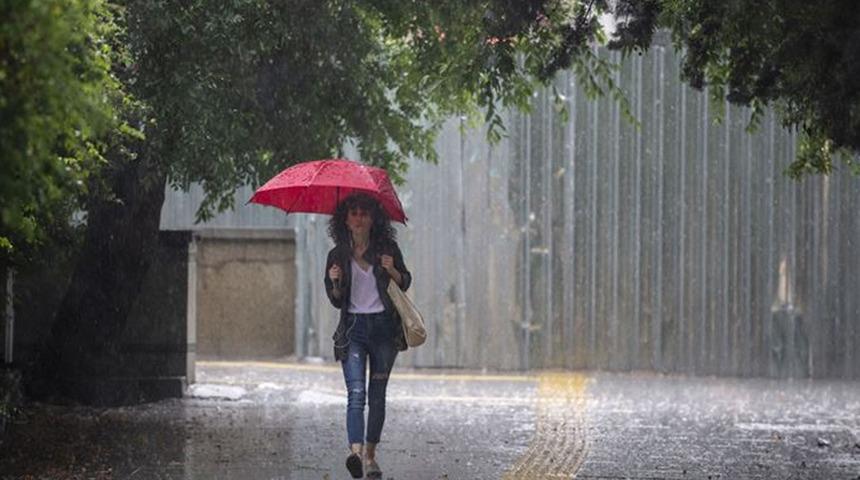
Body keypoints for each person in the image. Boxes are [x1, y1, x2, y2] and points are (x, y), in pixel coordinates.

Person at [324, 193, 412, 479]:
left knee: (377, 396)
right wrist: (336, 281)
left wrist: (392, 270)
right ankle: (356, 453)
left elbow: (406, 281)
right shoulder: (336, 255)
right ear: (345, 220)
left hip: (385, 330)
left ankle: (371, 455)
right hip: (353, 330)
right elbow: (336, 299)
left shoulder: (386, 249)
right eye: (354, 212)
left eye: (364, 213)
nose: (359, 217)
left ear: (374, 218)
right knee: (356, 393)